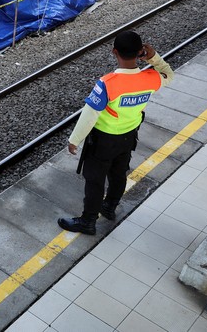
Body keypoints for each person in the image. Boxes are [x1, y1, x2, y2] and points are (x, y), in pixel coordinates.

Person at [58, 30, 174, 235]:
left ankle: (88, 221)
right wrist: (154, 57)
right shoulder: (151, 78)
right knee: (119, 174)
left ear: (114, 52)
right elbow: (169, 75)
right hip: (129, 137)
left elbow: (89, 115)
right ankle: (109, 206)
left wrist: (74, 140)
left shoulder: (107, 83)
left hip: (102, 141)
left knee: (95, 180)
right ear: (140, 52)